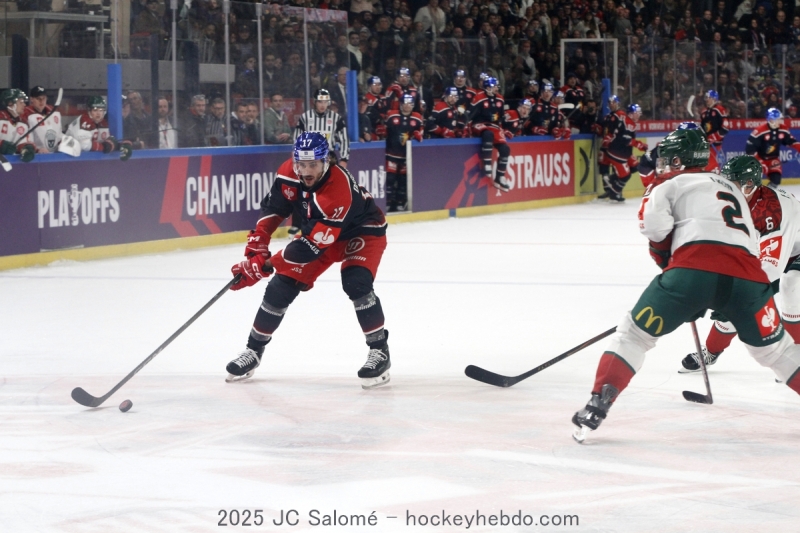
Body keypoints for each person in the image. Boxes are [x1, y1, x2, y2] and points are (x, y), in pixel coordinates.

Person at [572, 132, 800, 443]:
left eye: (669, 158)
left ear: (682, 160)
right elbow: (745, 245)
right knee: (779, 353)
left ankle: (598, 404)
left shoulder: (669, 185)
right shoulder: (733, 191)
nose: (664, 163)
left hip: (690, 273)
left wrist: (681, 280)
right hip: (748, 280)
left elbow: (654, 229)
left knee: (635, 335)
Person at [225, 132, 391, 390]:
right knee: (281, 287)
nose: (306, 170)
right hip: (319, 235)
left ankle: (379, 350)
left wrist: (266, 265)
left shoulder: (337, 190)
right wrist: (256, 244)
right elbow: (275, 208)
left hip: (361, 231)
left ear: (327, 162)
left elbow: (309, 248)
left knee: (356, 282)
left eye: (313, 164)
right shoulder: (288, 173)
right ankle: (253, 351)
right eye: (301, 164)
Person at [679, 155, 800, 373]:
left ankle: (795, 354)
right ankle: (711, 352)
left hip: (793, 250)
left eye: (732, 184)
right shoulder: (729, 201)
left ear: (750, 184)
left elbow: (771, 269)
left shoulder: (772, 210)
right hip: (769, 250)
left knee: (790, 284)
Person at [466, 76, 511, 192]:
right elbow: (469, 114)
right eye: (494, 86)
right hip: (480, 124)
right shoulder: (479, 97)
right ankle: (487, 163)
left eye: (497, 86)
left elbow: (500, 117)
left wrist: (503, 120)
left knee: (505, 149)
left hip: (494, 126)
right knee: (488, 134)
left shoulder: (500, 99)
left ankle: (499, 177)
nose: (496, 88)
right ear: (487, 87)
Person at [598, 103, 647, 202]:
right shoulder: (627, 121)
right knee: (625, 175)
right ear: (631, 113)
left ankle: (611, 179)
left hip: (623, 152)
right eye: (637, 113)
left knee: (634, 167)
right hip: (617, 152)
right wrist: (638, 144)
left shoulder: (629, 121)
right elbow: (624, 139)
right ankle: (614, 192)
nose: (639, 115)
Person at [384, 92, 424, 211]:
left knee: (403, 181)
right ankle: (388, 203)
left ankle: (400, 203)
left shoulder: (417, 118)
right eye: (405, 103)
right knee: (390, 179)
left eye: (410, 103)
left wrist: (419, 133)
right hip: (391, 154)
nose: (407, 106)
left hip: (406, 157)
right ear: (400, 104)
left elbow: (421, 132)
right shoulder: (391, 115)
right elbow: (385, 131)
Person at [293, 89, 350, 168]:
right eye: (320, 102)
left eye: (325, 102)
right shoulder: (305, 117)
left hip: (329, 157)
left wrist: (344, 159)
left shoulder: (336, 118)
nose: (323, 105)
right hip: (309, 158)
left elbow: (344, 139)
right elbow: (297, 138)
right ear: (315, 102)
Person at [65, 96, 133, 161]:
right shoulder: (85, 120)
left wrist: (121, 146)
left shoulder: (102, 123)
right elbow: (84, 146)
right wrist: (104, 147)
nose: (98, 113)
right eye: (95, 110)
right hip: (69, 157)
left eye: (101, 110)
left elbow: (107, 142)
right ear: (89, 111)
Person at [745, 108, 800, 187]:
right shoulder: (760, 131)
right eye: (777, 119)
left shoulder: (783, 128)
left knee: (776, 179)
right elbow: (749, 149)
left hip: (773, 159)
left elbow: (790, 141)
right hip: (758, 158)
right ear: (771, 120)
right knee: (754, 179)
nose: (780, 121)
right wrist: (759, 162)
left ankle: (767, 194)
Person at [21, 86, 62, 153]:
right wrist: (36, 150)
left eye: (44, 98)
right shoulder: (25, 114)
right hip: (36, 156)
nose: (42, 101)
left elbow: (59, 133)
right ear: (31, 99)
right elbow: (25, 138)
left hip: (55, 155)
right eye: (38, 98)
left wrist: (63, 144)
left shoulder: (54, 112)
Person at [0, 89, 35, 163]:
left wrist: (26, 149)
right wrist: (1, 144)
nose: (24, 105)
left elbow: (24, 142)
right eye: (21, 102)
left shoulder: (23, 123)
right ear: (10, 103)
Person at [700, 89, 729, 169]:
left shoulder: (720, 109)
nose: (706, 100)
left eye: (708, 97)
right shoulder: (704, 111)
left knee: (710, 164)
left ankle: (715, 176)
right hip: (706, 144)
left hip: (715, 143)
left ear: (714, 99)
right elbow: (703, 128)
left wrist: (714, 137)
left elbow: (725, 128)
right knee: (703, 164)